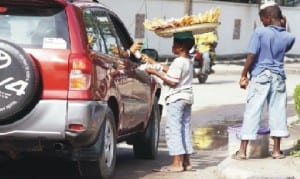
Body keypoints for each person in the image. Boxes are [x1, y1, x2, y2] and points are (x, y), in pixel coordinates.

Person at [232, 3, 295, 160]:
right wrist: (283, 24)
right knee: (278, 111)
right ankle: (276, 151)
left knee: (253, 110)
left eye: (262, 19)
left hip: (261, 75)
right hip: (278, 76)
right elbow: (283, 45)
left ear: (268, 18)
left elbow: (252, 55)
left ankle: (242, 151)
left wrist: (243, 74)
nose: (261, 23)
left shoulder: (260, 32)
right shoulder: (289, 37)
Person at [143, 31, 195, 172]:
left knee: (174, 130)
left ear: (181, 47)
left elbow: (172, 81)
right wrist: (154, 64)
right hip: (186, 98)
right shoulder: (188, 60)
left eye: (174, 44)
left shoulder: (178, 61)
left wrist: (154, 73)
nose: (172, 46)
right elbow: (171, 70)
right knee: (184, 128)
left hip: (176, 99)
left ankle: (176, 164)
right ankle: (187, 162)